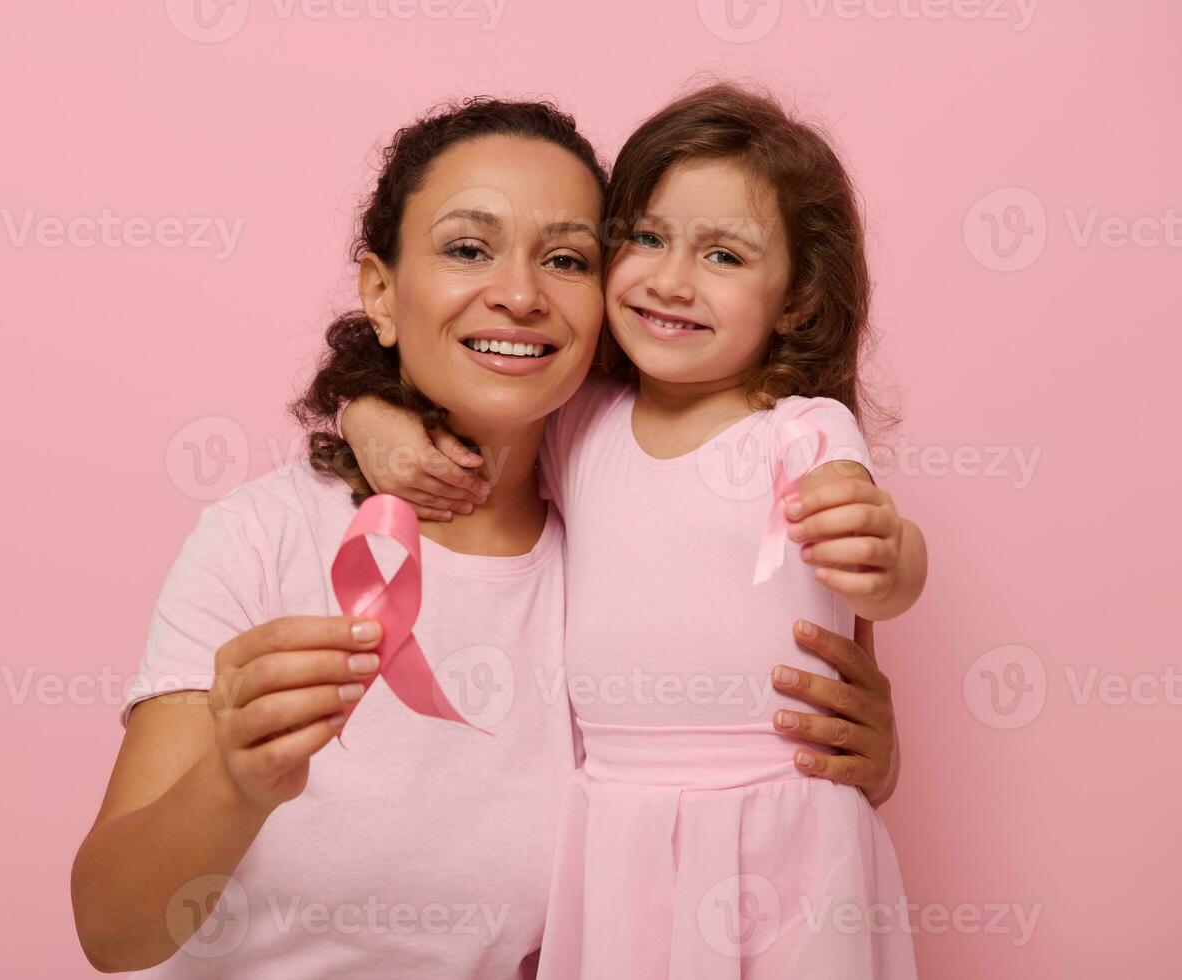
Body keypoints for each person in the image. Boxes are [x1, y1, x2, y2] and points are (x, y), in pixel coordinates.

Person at [73, 94, 907, 980]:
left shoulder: (628, 547)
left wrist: (868, 763)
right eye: (467, 248)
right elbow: (111, 934)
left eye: (565, 258)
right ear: (380, 293)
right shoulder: (263, 537)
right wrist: (230, 789)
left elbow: (787, 731)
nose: (518, 295)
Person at [338, 82, 926, 978]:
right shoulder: (578, 422)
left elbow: (880, 551)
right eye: (644, 238)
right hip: (615, 824)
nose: (670, 280)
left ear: (799, 297)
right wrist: (364, 419)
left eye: (723, 255)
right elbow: (459, 418)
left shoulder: (801, 429)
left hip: (782, 816)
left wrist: (886, 560)